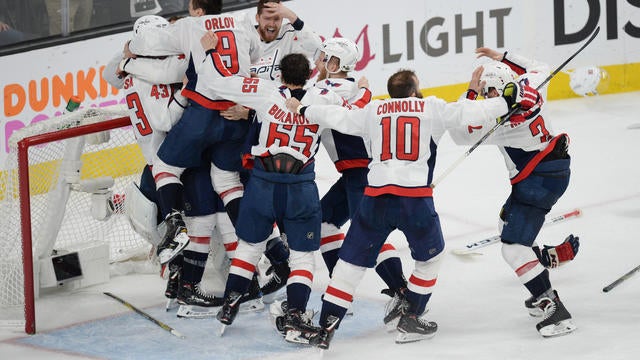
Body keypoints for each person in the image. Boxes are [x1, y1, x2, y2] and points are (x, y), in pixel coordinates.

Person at [284, 69, 534, 348]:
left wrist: (304, 108)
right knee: (431, 257)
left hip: (375, 197)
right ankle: (412, 316)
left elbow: (338, 117)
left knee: (349, 266)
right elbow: (468, 114)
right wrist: (508, 102)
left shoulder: (374, 109)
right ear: (415, 90)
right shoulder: (431, 107)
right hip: (414, 200)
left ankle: (326, 328)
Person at [198, 30, 371, 343]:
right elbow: (356, 119)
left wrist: (211, 53)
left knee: (250, 246)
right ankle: (295, 312)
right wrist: (362, 91)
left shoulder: (263, 91)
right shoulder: (325, 98)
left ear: (279, 74)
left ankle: (231, 302)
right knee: (303, 257)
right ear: (310, 75)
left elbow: (215, 82)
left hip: (262, 185)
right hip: (299, 189)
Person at [453, 47, 578, 337]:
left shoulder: (497, 124)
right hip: (553, 168)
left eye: (487, 92)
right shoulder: (530, 86)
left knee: (512, 248)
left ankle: (554, 308)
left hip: (536, 183)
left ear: (497, 91)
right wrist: (504, 57)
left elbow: (459, 132)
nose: (485, 97)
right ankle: (543, 259)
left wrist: (470, 93)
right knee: (505, 224)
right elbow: (540, 65)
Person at [219, 0, 322, 299]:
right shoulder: (242, 36)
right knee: (231, 186)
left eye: (278, 18)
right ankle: (278, 258)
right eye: (269, 17)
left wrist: (295, 18)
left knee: (252, 210)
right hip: (257, 127)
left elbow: (319, 51)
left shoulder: (291, 35)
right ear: (257, 17)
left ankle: (263, 267)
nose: (273, 23)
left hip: (263, 125)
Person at [312, 37, 408, 325]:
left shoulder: (330, 87)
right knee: (324, 221)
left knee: (369, 232)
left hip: (361, 171)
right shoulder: (349, 85)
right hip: (357, 170)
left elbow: (323, 105)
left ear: (339, 64)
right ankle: (338, 286)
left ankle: (401, 291)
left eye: (327, 58)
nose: (321, 61)